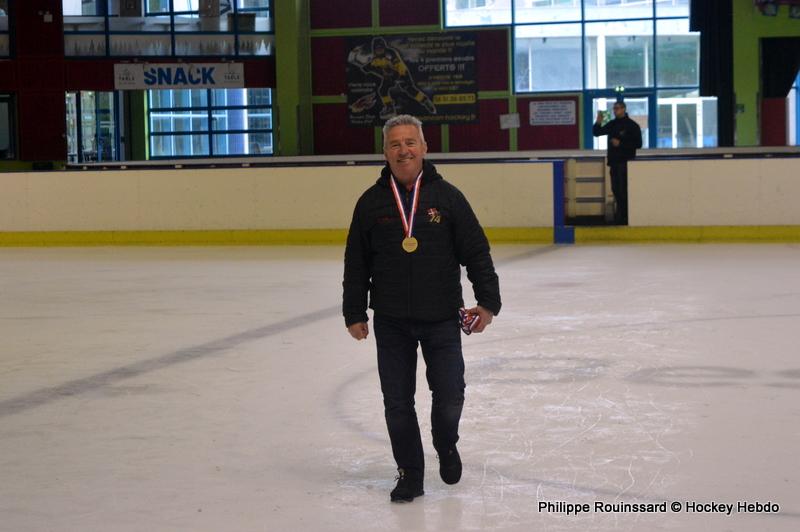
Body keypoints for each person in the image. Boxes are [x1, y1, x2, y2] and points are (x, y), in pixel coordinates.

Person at [342, 114, 501, 503]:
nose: (403, 150)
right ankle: (410, 473)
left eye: (410, 142)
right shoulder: (371, 203)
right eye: (395, 144)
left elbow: (476, 252)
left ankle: (446, 444)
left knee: (450, 396)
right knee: (397, 403)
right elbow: (356, 261)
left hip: (442, 318)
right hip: (392, 321)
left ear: (425, 147)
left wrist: (488, 302)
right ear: (384, 152)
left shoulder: (448, 198)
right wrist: (354, 312)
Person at [348, 37, 437, 120]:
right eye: (377, 49)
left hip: (401, 73)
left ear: (384, 47)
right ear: (374, 50)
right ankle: (389, 107)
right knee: (382, 90)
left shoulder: (390, 54)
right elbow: (372, 65)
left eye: (381, 48)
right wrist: (367, 67)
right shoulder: (375, 58)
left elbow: (399, 66)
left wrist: (398, 76)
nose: (379, 51)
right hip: (388, 75)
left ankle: (425, 101)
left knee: (410, 90)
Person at [592, 101, 642, 225]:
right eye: (614, 108)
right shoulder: (613, 124)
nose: (615, 111)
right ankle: (621, 215)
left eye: (618, 108)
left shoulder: (632, 125)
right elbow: (597, 133)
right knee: (616, 190)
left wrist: (621, 144)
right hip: (614, 162)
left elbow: (638, 144)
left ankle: (625, 216)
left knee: (623, 191)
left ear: (624, 109)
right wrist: (598, 121)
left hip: (625, 162)